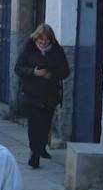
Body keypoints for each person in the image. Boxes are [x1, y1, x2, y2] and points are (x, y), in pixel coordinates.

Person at [14, 23, 71, 169]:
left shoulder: (57, 51)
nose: (44, 42)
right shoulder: (29, 49)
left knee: (45, 124)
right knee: (33, 125)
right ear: (36, 38)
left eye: (47, 40)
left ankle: (42, 147)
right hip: (31, 93)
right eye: (41, 40)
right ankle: (35, 153)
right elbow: (18, 68)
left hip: (50, 94)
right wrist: (34, 72)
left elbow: (65, 71)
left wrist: (51, 75)